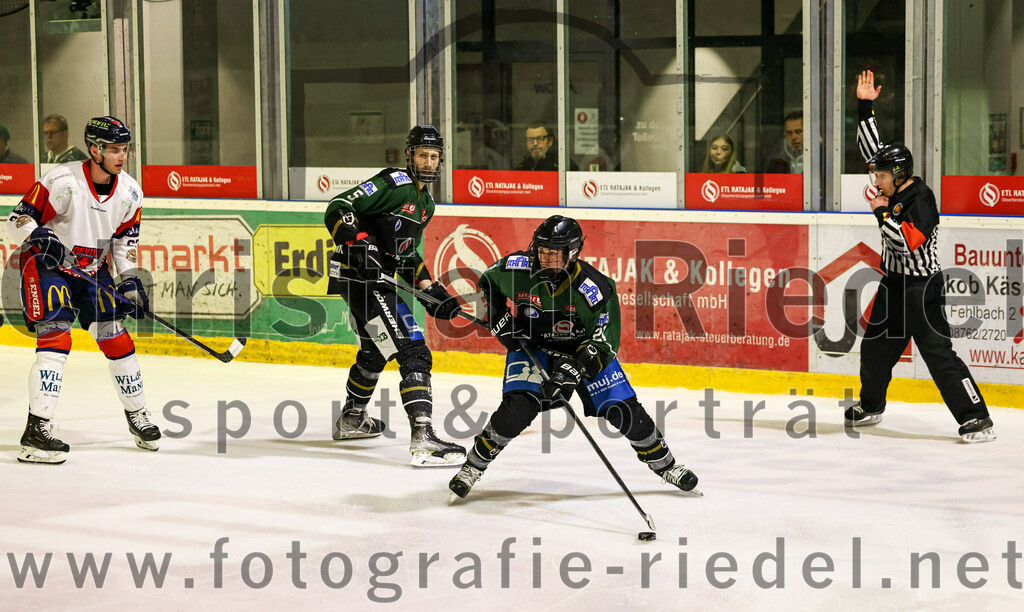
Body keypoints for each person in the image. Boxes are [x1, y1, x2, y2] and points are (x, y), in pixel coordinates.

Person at [447, 215, 700, 501]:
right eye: (542, 251)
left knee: (625, 411)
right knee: (516, 410)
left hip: (582, 351)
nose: (545, 259)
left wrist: (573, 369)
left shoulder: (594, 288)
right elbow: (488, 282)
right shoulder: (514, 269)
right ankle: (473, 466)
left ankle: (666, 465)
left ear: (572, 254)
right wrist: (499, 318)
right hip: (535, 347)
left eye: (554, 254)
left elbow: (603, 342)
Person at [846, 70, 994, 443]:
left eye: (881, 176)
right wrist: (864, 106)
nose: (875, 181)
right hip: (894, 285)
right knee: (875, 348)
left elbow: (906, 243)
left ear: (898, 175)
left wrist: (881, 212)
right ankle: (871, 405)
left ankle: (976, 418)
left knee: (938, 354)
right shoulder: (892, 183)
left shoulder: (921, 199)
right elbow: (873, 150)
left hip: (922, 289)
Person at [5, 116, 158, 464]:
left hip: (91, 270)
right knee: (57, 338)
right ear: (94, 150)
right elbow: (17, 219)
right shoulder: (62, 180)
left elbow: (125, 242)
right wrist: (38, 234)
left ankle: (138, 415)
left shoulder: (130, 192)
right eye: (114, 149)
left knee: (116, 337)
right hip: (47, 266)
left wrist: (129, 281)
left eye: (125, 149)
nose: (122, 156)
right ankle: (36, 431)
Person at [324, 125, 467, 467]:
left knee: (376, 350)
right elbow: (339, 206)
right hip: (360, 278)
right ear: (409, 155)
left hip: (370, 282)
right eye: (422, 155)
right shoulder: (394, 183)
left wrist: (431, 290)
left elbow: (406, 256)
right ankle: (423, 437)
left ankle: (352, 419)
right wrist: (357, 242)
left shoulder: (426, 205)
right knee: (414, 350)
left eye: (434, 156)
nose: (428, 162)